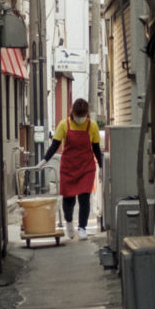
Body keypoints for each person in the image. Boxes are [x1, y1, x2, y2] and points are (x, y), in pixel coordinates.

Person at [41, 99, 102, 240]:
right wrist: (44, 160)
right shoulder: (64, 125)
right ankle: (69, 222)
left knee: (85, 197)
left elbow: (97, 149)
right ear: (72, 112)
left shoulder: (92, 126)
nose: (80, 119)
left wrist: (101, 167)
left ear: (87, 114)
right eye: (77, 115)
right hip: (68, 167)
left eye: (83, 116)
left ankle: (82, 227)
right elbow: (55, 145)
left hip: (86, 167)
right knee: (68, 200)